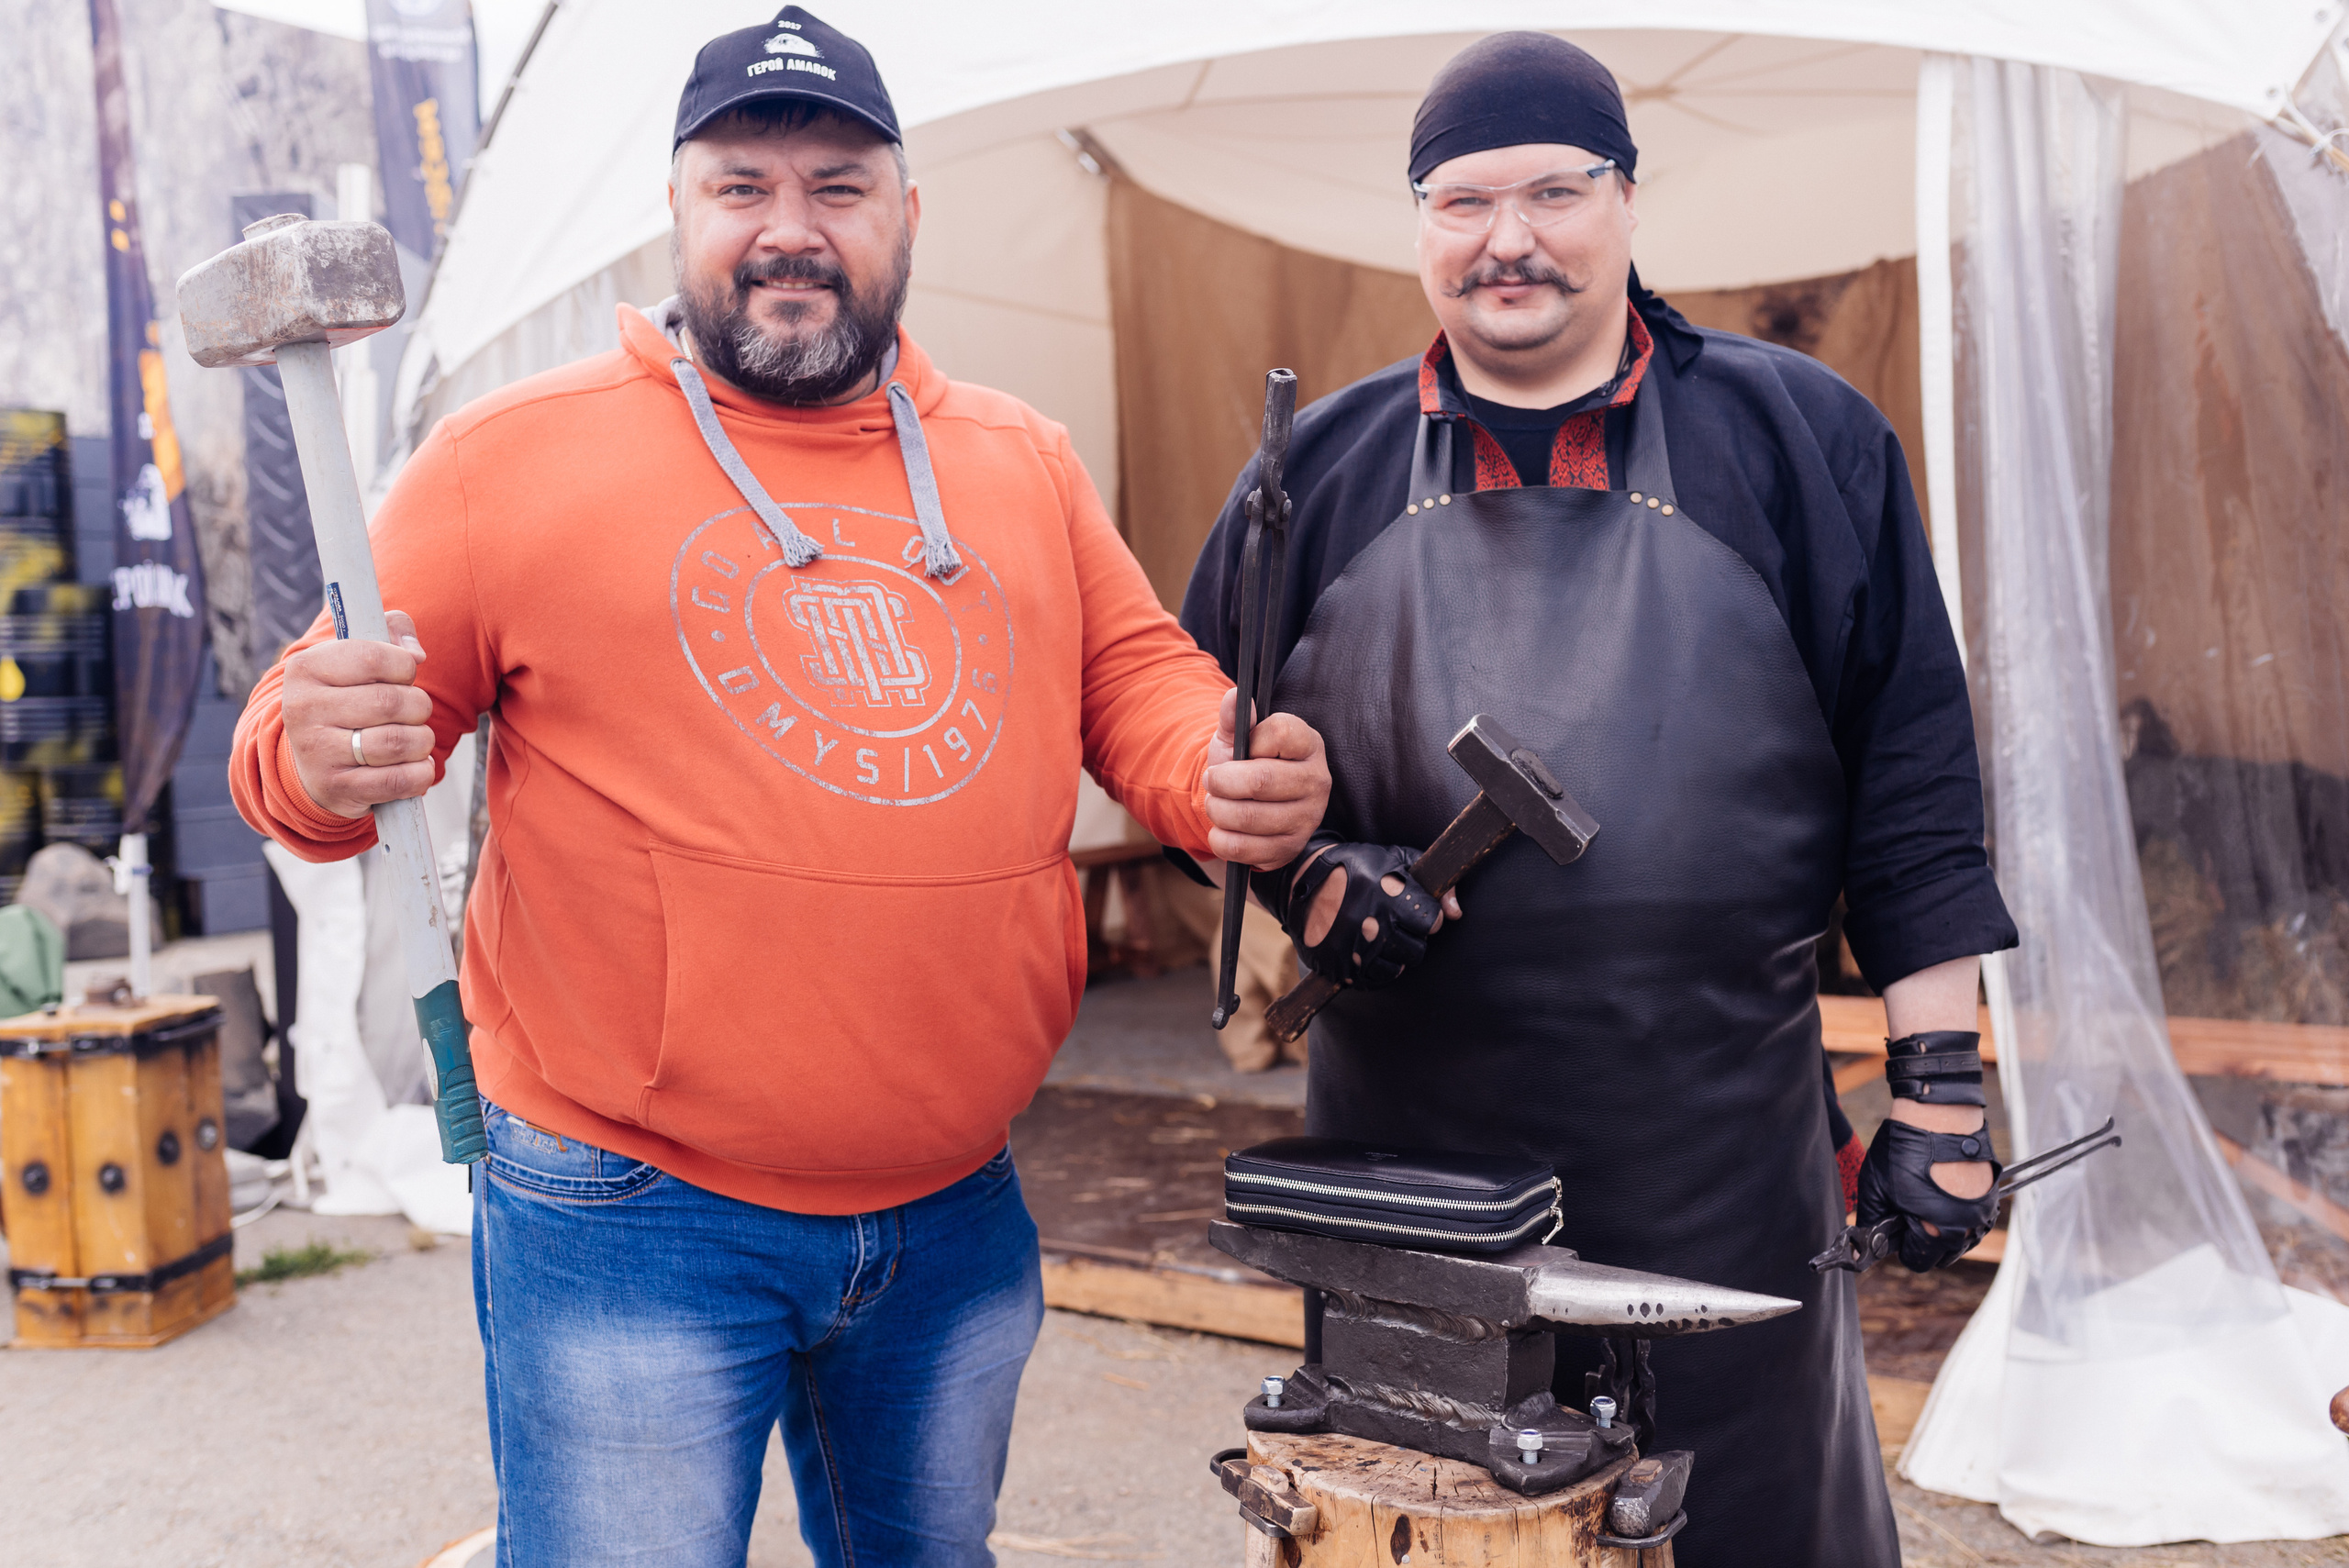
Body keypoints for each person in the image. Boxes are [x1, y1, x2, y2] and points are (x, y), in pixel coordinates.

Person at [228, 10, 1330, 1565]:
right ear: (678, 210)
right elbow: (304, 747)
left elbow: (1136, 678)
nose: (789, 232)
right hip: (631, 1208)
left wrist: (1222, 763)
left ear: (907, 215)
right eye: (743, 186)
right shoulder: (505, 464)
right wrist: (316, 750)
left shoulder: (1022, 459)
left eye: (839, 186)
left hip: (955, 1202)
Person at [1180, 33, 2017, 1568]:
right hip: (1405, 1171)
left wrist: (1943, 1084)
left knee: (1747, 1527)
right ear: (1420, 223)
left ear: (1628, 200)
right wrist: (1307, 880)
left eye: (1557, 191)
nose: (1511, 239)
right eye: (1464, 200)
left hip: (1720, 1154)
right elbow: (1193, 757)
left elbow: (1912, 771)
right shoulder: (1317, 471)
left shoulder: (1801, 440)